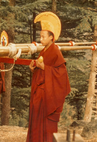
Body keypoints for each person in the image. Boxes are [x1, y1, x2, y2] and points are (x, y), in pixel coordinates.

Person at [26, 12, 71, 142]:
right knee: (37, 124)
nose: (41, 39)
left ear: (51, 37)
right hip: (39, 95)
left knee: (46, 126)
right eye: (40, 36)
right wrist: (34, 68)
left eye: (43, 36)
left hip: (48, 96)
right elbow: (42, 69)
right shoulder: (44, 50)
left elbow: (61, 74)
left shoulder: (55, 51)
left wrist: (44, 68)